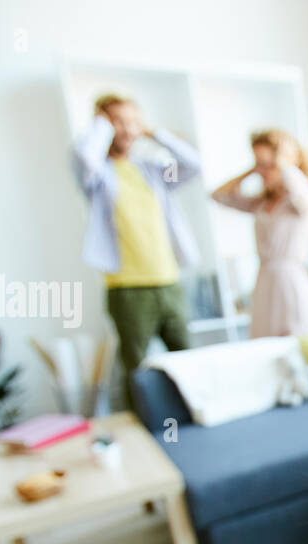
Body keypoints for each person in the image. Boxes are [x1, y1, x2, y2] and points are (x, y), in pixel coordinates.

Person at [71, 93, 201, 412]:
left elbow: (193, 165)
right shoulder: (99, 175)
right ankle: (146, 431)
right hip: (127, 288)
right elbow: (85, 156)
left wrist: (154, 133)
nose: (125, 128)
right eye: (116, 120)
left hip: (168, 281)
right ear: (101, 124)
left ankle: (192, 416)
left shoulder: (152, 170)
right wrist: (104, 126)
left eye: (131, 120)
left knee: (188, 362)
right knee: (137, 371)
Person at [210, 129, 308, 338]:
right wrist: (251, 171)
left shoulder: (302, 201)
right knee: (263, 340)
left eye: (269, 164)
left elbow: (304, 196)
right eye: (258, 163)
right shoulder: (261, 203)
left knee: (296, 338)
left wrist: (283, 165)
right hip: (264, 282)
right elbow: (218, 196)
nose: (264, 171)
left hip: (291, 282)